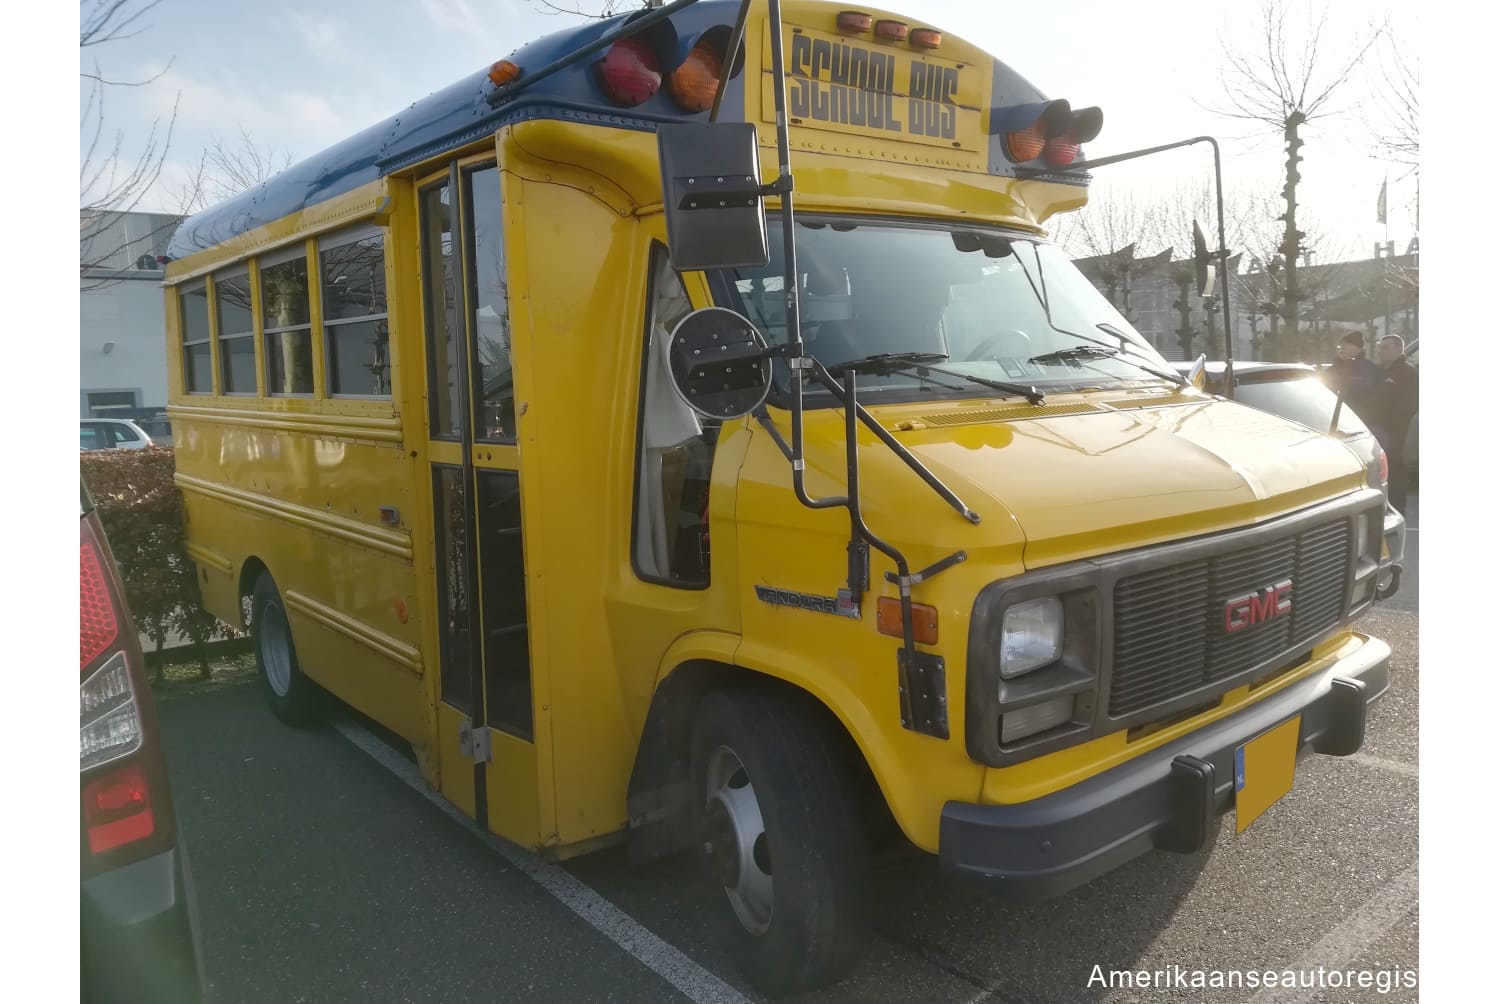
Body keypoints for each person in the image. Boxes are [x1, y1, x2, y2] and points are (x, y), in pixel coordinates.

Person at [1371, 334, 1419, 514]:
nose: (1380, 352)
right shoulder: (1382, 372)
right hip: (1381, 432)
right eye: (1379, 348)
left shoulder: (1408, 373)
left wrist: (1391, 427)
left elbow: (1409, 406)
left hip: (1397, 434)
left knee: (1396, 473)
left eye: (1385, 348)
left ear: (1399, 349)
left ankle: (1397, 511)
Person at [1325, 332, 1380, 426]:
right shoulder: (1337, 365)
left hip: (1359, 416)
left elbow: (1363, 387)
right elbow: (1326, 383)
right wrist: (1339, 362)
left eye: (1345, 344)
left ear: (1357, 347)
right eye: (1341, 345)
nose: (1341, 347)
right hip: (1335, 414)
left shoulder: (1367, 368)